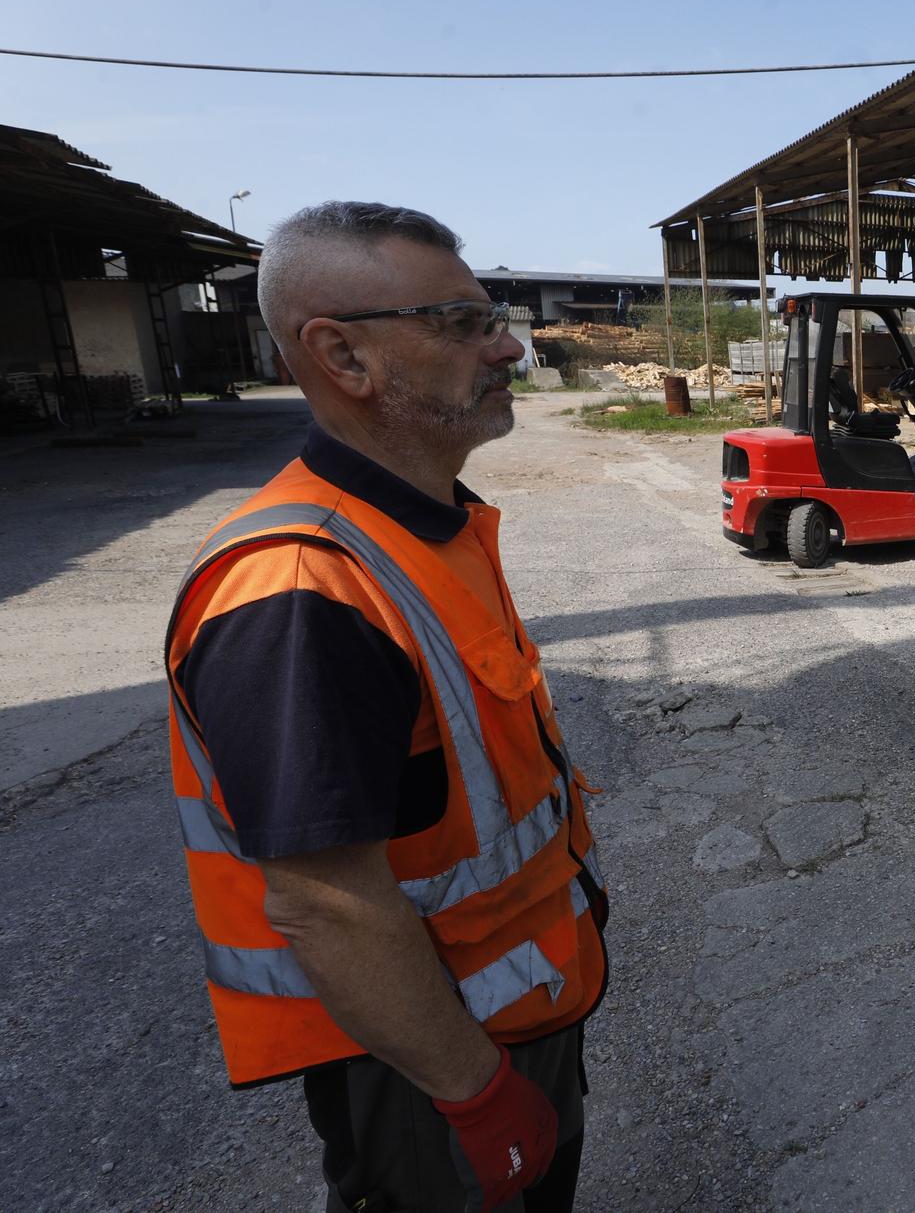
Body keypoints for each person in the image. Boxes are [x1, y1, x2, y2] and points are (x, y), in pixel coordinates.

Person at [164, 202, 609, 1210]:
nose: (505, 344)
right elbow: (324, 899)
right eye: (460, 323)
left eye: (492, 315)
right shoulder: (298, 590)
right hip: (432, 1068)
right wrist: (475, 1093)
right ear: (344, 357)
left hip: (506, 1013)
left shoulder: (426, 529)